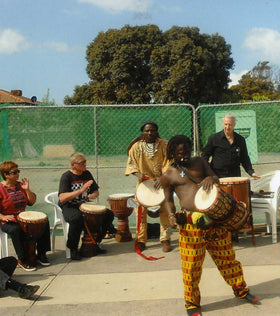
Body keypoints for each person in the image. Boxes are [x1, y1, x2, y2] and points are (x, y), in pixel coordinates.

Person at [161, 135, 259, 316]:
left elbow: (215, 177)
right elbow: (167, 200)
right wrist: (171, 216)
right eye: (180, 153)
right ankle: (192, 303)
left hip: (214, 218)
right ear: (172, 153)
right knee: (191, 266)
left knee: (227, 258)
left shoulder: (199, 162)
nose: (184, 155)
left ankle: (241, 290)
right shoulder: (168, 175)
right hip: (190, 224)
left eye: (187, 151)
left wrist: (210, 179)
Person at [125, 121, 173, 253]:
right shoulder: (136, 147)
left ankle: (165, 239)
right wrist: (138, 174)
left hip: (161, 184)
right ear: (142, 132)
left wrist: (162, 177)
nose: (150, 133)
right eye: (147, 131)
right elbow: (131, 164)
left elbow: (169, 162)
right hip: (143, 185)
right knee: (140, 213)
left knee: (165, 211)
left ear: (156, 131)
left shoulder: (164, 145)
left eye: (152, 130)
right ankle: (141, 240)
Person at [58, 153, 115, 260]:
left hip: (84, 205)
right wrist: (80, 191)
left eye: (85, 161)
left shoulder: (87, 174)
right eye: (81, 163)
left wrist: (91, 195)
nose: (85, 164)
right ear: (73, 165)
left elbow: (96, 192)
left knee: (108, 214)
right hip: (70, 206)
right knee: (77, 218)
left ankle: (95, 242)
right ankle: (73, 248)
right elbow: (62, 197)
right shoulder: (66, 176)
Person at [0, 161, 50, 271]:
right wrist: (2, 217)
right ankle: (22, 260)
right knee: (16, 229)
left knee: (44, 222)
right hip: (7, 220)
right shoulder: (0, 189)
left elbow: (31, 202)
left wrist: (27, 189)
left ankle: (41, 254)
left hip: (21, 217)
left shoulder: (20, 185)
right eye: (14, 172)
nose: (18, 174)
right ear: (6, 174)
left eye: (18, 171)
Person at [202, 113, 261, 180]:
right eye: (225, 124)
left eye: (230, 125)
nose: (227, 127)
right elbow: (205, 156)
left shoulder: (240, 140)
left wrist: (251, 173)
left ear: (234, 125)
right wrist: (208, 173)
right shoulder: (214, 138)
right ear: (222, 124)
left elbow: (245, 158)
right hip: (217, 176)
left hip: (235, 176)